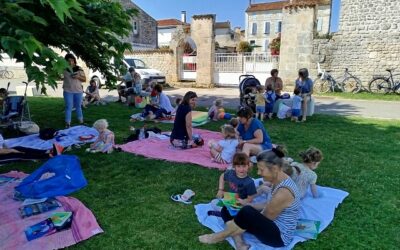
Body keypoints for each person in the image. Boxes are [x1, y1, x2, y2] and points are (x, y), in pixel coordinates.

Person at [199, 148, 300, 249]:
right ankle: (239, 243)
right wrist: (244, 205)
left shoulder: (284, 192)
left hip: (278, 236)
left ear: (274, 169)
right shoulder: (278, 179)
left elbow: (264, 217)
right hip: (269, 224)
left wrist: (243, 213)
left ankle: (220, 236)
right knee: (228, 208)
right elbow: (268, 205)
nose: (258, 173)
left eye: (261, 169)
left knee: (246, 212)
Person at [63, 53, 86, 128]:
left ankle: (81, 121)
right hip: (68, 91)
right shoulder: (63, 69)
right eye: (68, 61)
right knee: (68, 107)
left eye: (72, 60)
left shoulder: (79, 69)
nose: (70, 62)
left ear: (74, 61)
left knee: (78, 106)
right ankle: (68, 123)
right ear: (65, 61)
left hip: (78, 91)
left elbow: (84, 79)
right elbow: (56, 75)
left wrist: (78, 76)